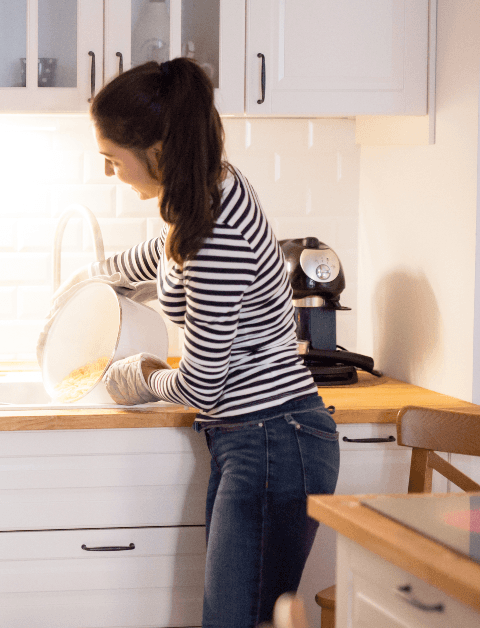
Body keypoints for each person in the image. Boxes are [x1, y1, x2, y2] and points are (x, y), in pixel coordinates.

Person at [84, 59, 340, 627]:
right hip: (259, 436)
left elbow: (202, 383)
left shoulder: (217, 230)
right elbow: (167, 252)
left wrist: (136, 376)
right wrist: (93, 279)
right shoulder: (207, 188)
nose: (109, 171)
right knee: (238, 616)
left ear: (155, 149)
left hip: (273, 438)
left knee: (236, 620)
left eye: (112, 159)